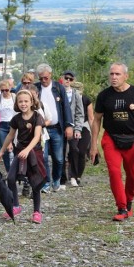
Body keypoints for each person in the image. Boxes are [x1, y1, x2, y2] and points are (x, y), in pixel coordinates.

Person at [90, 62, 134, 221]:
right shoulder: (104, 95)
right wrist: (93, 145)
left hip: (133, 139)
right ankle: (122, 207)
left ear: (126, 76)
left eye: (117, 74)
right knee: (114, 172)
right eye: (111, 74)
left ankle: (129, 201)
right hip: (111, 138)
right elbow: (96, 120)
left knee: (133, 175)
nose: (114, 77)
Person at [0, 89, 47, 224]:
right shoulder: (16, 118)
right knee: (11, 178)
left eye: (26, 101)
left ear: (31, 102)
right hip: (20, 151)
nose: (23, 104)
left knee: (35, 182)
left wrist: (28, 150)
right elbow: (10, 136)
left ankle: (37, 211)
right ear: (17, 103)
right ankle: (16, 206)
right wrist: (1, 151)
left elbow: (37, 137)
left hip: (34, 152)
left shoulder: (37, 117)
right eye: (20, 101)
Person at [34, 64, 74, 193]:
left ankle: (56, 179)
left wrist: (69, 125)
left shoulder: (58, 87)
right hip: (42, 129)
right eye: (41, 78)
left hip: (57, 128)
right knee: (43, 157)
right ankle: (46, 182)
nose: (43, 81)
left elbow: (66, 108)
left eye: (45, 77)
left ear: (50, 75)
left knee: (59, 158)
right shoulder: (36, 88)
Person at [60, 70, 84, 187]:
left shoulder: (76, 94)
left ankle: (73, 176)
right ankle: (62, 178)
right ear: (62, 78)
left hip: (73, 127)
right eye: (66, 78)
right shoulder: (58, 92)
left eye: (70, 79)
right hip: (60, 127)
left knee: (74, 150)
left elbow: (80, 113)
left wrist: (78, 129)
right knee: (61, 152)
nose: (68, 81)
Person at [69, 81, 93, 186]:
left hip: (84, 126)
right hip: (71, 126)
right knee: (74, 150)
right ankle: (73, 175)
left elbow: (91, 117)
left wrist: (94, 135)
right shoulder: (69, 98)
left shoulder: (86, 99)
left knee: (82, 151)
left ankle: (78, 175)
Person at [0, 80, 15, 173]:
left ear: (10, 88)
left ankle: (17, 170)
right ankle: (9, 171)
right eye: (2, 90)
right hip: (3, 125)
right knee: (5, 150)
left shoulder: (14, 97)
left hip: (14, 125)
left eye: (6, 90)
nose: (4, 92)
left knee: (15, 147)